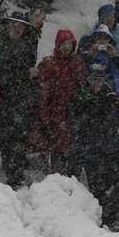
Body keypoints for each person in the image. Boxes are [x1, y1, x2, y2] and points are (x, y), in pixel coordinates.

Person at [66, 66, 119, 232]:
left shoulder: (111, 97)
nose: (97, 83)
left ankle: (111, 216)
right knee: (98, 189)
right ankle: (106, 219)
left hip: (112, 150)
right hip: (91, 152)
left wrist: (113, 102)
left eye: (99, 79)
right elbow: (75, 123)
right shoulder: (79, 98)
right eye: (93, 79)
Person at [0, 11, 39, 188]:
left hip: (21, 99)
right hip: (4, 98)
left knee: (18, 137)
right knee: (6, 138)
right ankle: (12, 173)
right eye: (13, 24)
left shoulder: (27, 45)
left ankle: (15, 174)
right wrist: (24, 74)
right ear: (7, 25)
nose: (16, 28)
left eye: (20, 25)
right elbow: (1, 74)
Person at [34, 29, 86, 176]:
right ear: (58, 44)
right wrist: (45, 120)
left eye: (70, 43)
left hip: (74, 113)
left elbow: (83, 87)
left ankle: (74, 181)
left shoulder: (77, 62)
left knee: (74, 149)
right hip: (55, 114)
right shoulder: (48, 64)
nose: (67, 47)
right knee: (58, 149)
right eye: (64, 43)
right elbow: (42, 96)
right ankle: (59, 181)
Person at [81, 25, 119, 117]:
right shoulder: (85, 55)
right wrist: (90, 56)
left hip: (110, 95)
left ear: (110, 41)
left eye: (105, 39)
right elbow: (80, 72)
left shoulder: (114, 57)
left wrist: (115, 56)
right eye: (99, 38)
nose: (102, 41)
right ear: (95, 40)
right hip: (91, 94)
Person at [88, 4, 119, 83]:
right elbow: (84, 57)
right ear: (101, 18)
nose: (110, 19)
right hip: (96, 77)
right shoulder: (91, 34)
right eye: (106, 16)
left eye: (112, 16)